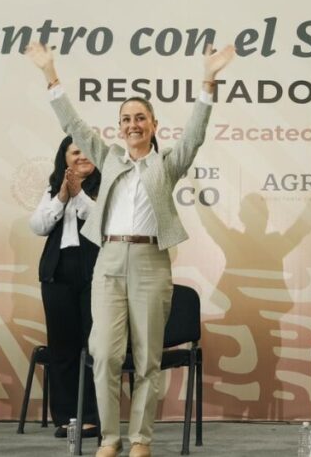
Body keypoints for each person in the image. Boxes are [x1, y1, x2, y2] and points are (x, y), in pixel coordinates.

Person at [24, 42, 235, 457]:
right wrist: (50, 73)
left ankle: (140, 439)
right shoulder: (110, 158)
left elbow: (194, 135)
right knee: (103, 353)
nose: (132, 124)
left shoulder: (166, 164)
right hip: (108, 261)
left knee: (146, 357)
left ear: (154, 125)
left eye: (140, 118)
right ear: (119, 127)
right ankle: (109, 437)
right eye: (126, 119)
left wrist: (209, 80)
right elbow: (75, 123)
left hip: (151, 262)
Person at [29, 136, 102, 439]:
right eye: (75, 152)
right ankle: (66, 417)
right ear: (65, 158)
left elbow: (103, 222)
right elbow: (38, 226)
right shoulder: (52, 188)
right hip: (58, 272)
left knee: (95, 348)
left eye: (87, 151)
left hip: (95, 272)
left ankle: (92, 417)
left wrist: (79, 196)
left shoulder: (109, 186)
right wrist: (61, 197)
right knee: (62, 348)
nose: (81, 156)